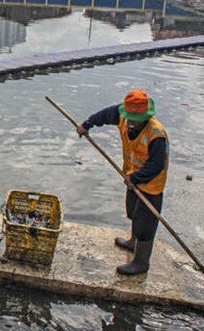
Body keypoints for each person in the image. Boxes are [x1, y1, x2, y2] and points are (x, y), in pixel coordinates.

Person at [76, 89, 168, 275]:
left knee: (145, 222)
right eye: (130, 118)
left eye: (137, 119)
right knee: (133, 210)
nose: (132, 123)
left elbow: (156, 165)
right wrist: (87, 124)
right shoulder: (123, 116)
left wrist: (136, 178)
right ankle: (132, 242)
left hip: (150, 184)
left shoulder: (156, 134)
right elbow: (104, 115)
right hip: (132, 176)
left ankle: (141, 262)